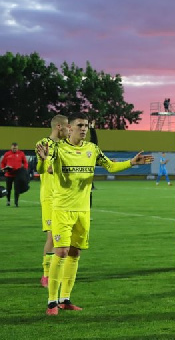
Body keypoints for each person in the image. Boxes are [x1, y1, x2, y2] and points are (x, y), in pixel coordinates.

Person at [36, 114, 153, 315]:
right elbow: (43, 169)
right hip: (62, 209)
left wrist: (131, 163)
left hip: (83, 210)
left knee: (75, 253)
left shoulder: (92, 149)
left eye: (86, 126)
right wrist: (43, 159)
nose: (84, 129)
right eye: (80, 125)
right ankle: (51, 302)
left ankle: (65, 299)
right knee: (61, 251)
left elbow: (110, 165)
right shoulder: (57, 148)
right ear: (69, 129)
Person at [35, 114, 69, 288]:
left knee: (63, 238)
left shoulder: (65, 145)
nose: (69, 129)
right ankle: (46, 275)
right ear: (58, 127)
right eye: (67, 126)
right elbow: (45, 169)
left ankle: (57, 271)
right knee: (52, 236)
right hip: (49, 197)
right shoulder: (43, 144)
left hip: (64, 197)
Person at [1, 142, 29, 207]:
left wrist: (24, 169)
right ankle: (8, 201)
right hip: (9, 174)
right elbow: (2, 163)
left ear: (17, 148)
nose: (14, 149)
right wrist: (3, 168)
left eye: (15, 148)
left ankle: (16, 203)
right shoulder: (7, 154)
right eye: (13, 148)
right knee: (8, 188)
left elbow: (25, 162)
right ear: (11, 147)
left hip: (18, 174)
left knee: (17, 189)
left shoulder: (21, 154)